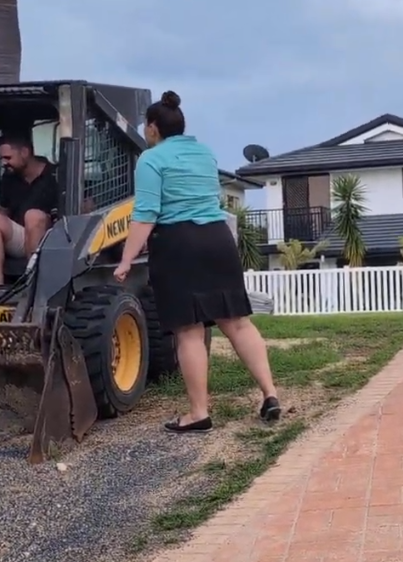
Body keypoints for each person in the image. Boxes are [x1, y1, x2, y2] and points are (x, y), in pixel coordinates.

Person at [113, 91, 282, 433]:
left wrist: (125, 260)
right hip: (218, 239)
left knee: (189, 331)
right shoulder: (205, 153)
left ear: (152, 128)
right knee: (236, 322)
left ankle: (198, 413)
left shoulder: (151, 159)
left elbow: (145, 215)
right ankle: (270, 394)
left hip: (179, 243)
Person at [0, 134, 59, 286]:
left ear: (24, 153)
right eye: (2, 158)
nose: (4, 163)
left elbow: (86, 205)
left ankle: (34, 283)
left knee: (33, 216)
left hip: (52, 239)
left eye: (8, 158)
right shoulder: (8, 178)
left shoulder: (56, 174)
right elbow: (4, 210)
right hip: (22, 237)